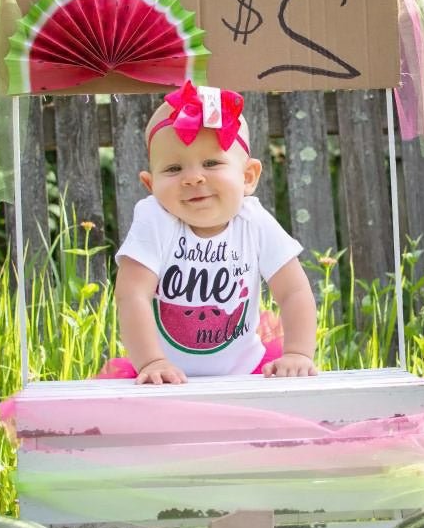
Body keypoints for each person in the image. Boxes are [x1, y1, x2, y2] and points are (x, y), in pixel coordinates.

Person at [100, 80, 318, 384]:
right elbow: (132, 294)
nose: (192, 178)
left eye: (211, 162)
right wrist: (152, 360)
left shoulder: (254, 222)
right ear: (150, 185)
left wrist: (298, 353)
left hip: (248, 370)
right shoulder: (154, 218)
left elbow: (294, 291)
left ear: (247, 176)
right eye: (173, 169)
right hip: (162, 373)